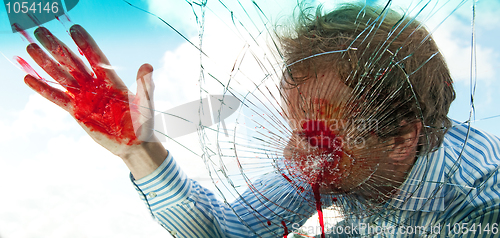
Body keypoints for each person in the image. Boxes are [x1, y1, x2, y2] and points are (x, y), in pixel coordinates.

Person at [22, 3, 499, 238]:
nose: (294, 156)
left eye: (316, 138)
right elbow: (224, 233)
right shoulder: (323, 164)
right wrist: (138, 150)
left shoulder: (483, 195)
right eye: (293, 130)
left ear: (399, 139)